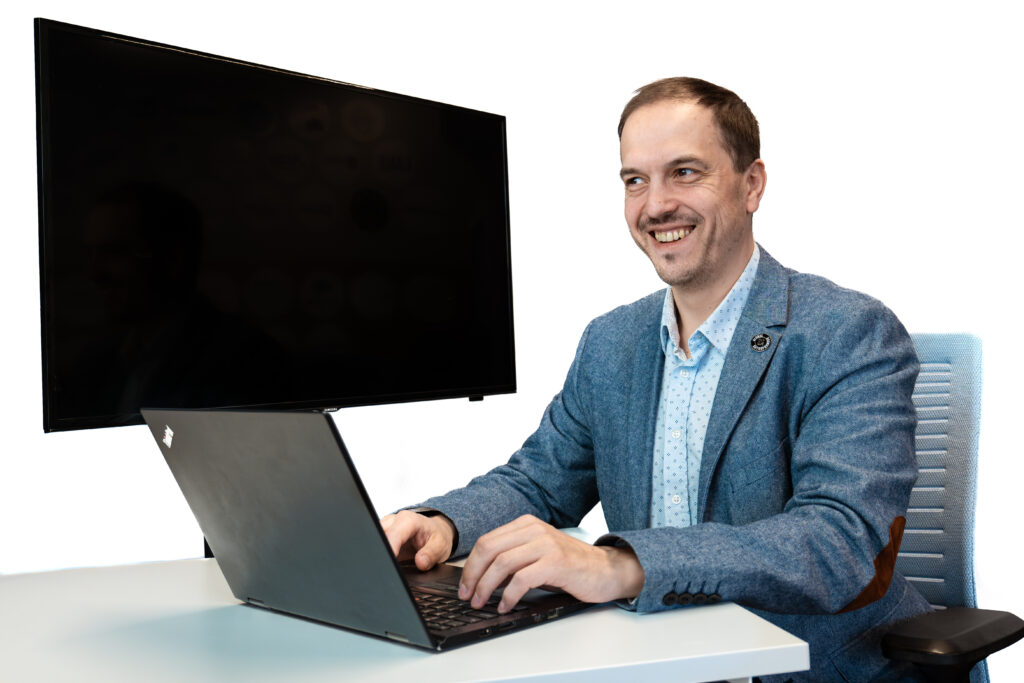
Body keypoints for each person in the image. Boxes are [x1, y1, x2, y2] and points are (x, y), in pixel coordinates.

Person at [382, 77, 930, 682]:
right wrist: (441, 524)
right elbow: (540, 482)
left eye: (685, 172)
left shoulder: (847, 332)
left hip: (810, 666)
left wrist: (623, 566)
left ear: (752, 185)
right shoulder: (611, 341)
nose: (655, 205)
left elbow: (838, 542)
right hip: (652, 662)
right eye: (634, 180)